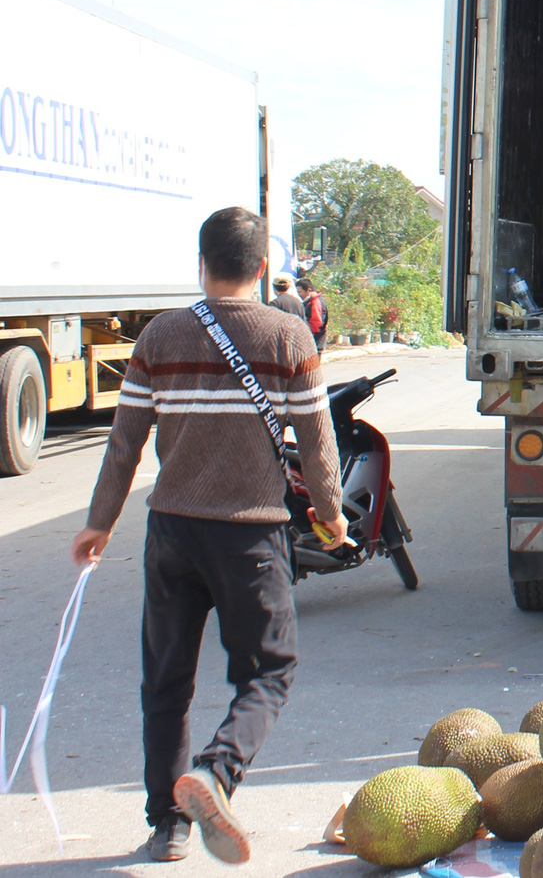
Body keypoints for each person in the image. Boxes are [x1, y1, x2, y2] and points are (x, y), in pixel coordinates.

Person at [71, 207, 345, 865]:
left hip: (172, 533)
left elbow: (124, 443)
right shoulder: (288, 336)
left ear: (201, 264)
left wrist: (98, 522)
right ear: (259, 269)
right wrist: (331, 513)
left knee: (165, 682)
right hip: (249, 535)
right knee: (270, 669)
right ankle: (216, 773)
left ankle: (168, 825)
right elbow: (316, 438)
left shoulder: (159, 337)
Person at [297, 277, 328, 353]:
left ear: (308, 290)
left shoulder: (316, 302)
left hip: (315, 341)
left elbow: (316, 324)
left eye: (300, 292)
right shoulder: (309, 301)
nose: (299, 295)